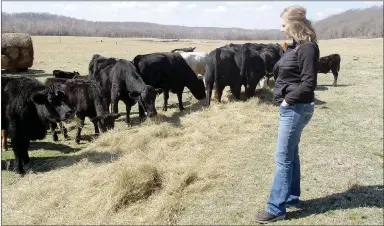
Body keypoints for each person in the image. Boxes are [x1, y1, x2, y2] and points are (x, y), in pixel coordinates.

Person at [255, 5, 320, 224]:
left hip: (296, 108)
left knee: (282, 158)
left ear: (295, 23)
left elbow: (309, 83)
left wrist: (287, 100)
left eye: (284, 24)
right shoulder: (296, 46)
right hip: (293, 108)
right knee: (291, 154)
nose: (281, 29)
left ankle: (276, 208)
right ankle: (292, 197)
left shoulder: (308, 48)